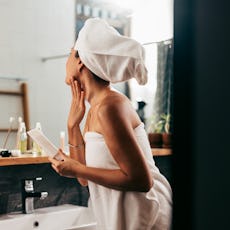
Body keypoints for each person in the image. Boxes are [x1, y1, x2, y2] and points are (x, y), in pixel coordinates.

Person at [49, 18, 172, 230]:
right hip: (123, 217)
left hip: (147, 218)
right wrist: (72, 127)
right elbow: (84, 179)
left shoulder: (110, 106)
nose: (67, 59)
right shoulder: (96, 108)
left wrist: (77, 168)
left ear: (80, 61)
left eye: (70, 52)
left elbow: (141, 180)